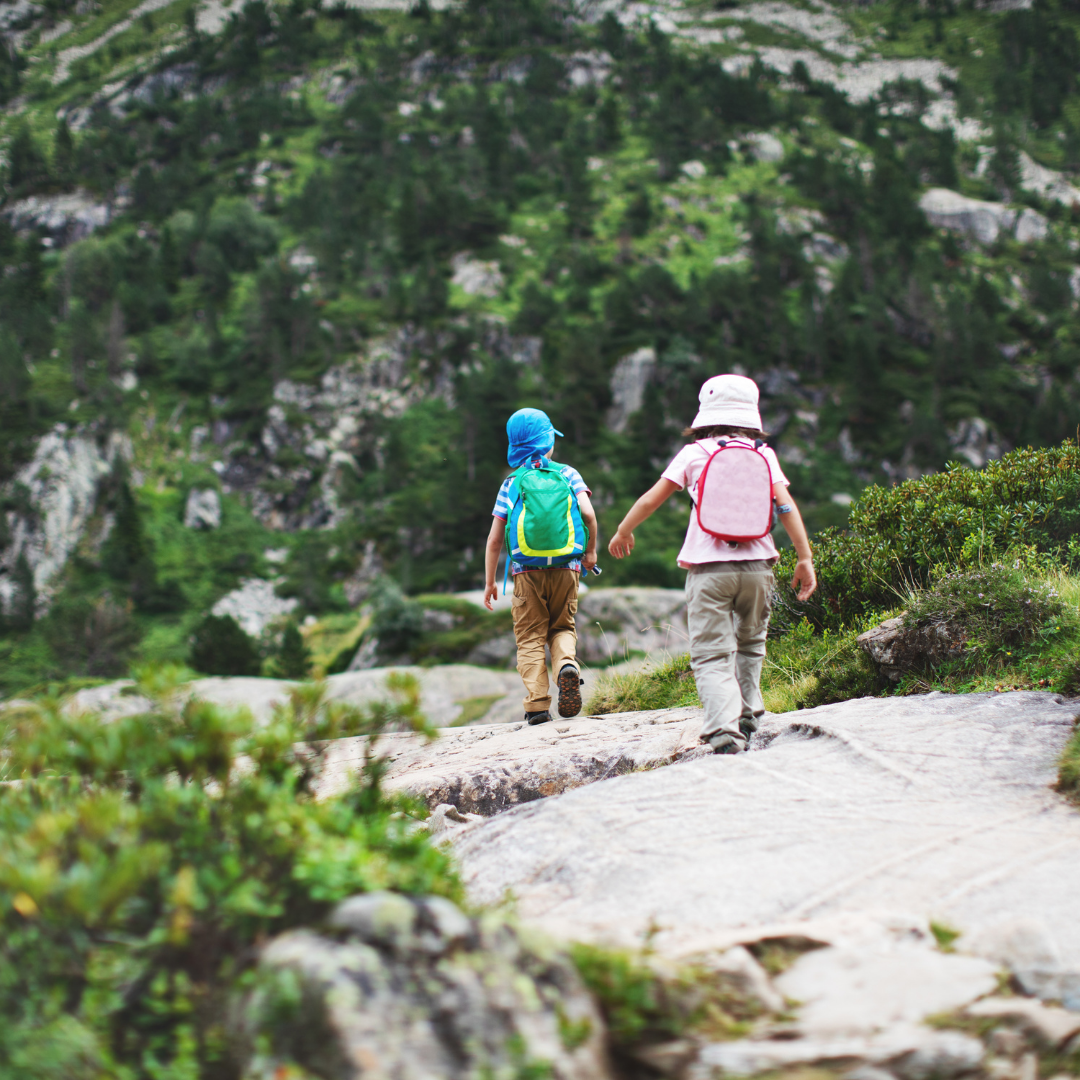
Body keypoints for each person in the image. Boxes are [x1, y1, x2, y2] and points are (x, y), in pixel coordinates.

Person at [607, 374, 817, 754]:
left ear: (705, 413)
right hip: (758, 568)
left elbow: (652, 499)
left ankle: (724, 729)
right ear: (751, 416)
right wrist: (805, 557)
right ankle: (749, 710)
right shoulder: (763, 454)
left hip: (709, 569)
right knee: (752, 642)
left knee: (711, 653)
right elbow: (785, 506)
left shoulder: (694, 453)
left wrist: (623, 531)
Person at [484, 408, 599, 725]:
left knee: (531, 637)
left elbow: (495, 540)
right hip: (568, 567)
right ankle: (566, 666)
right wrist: (590, 553)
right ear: (549, 442)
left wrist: (490, 582)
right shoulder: (569, 474)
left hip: (525, 573)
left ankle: (537, 706)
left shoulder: (511, 482)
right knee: (562, 626)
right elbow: (589, 515)